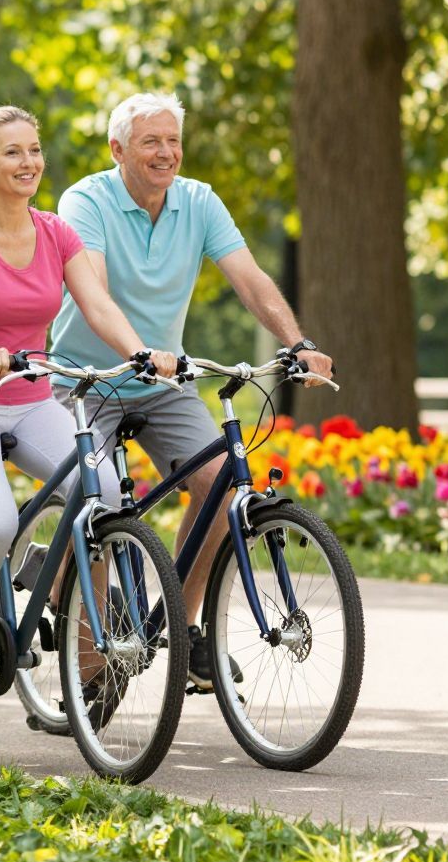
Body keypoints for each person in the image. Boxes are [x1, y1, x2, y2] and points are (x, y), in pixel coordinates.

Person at [49, 92, 334, 691]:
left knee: (220, 485)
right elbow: (93, 291)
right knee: (98, 498)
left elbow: (251, 279)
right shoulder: (85, 201)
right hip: (88, 381)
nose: (166, 153)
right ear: (118, 149)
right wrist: (134, 350)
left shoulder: (198, 201)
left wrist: (297, 339)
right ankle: (89, 668)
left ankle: (183, 630)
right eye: (151, 141)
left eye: (173, 140)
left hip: (163, 381)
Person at [0, 106, 177, 705]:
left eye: (34, 150)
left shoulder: (56, 231)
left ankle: (51, 588)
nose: (29, 162)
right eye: (13, 152)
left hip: (33, 398)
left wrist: (141, 352)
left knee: (106, 494)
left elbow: (98, 304)